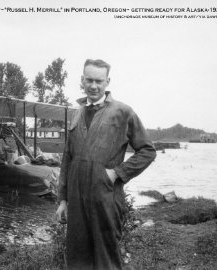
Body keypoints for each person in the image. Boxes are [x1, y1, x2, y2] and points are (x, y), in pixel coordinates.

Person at [55, 59, 156, 269]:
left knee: (106, 261)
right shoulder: (77, 113)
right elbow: (67, 158)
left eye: (99, 81)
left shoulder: (123, 112)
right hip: (76, 200)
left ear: (107, 81)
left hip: (106, 199)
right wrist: (63, 199)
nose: (93, 85)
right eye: (89, 80)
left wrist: (117, 173)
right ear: (82, 80)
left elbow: (147, 151)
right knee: (77, 260)